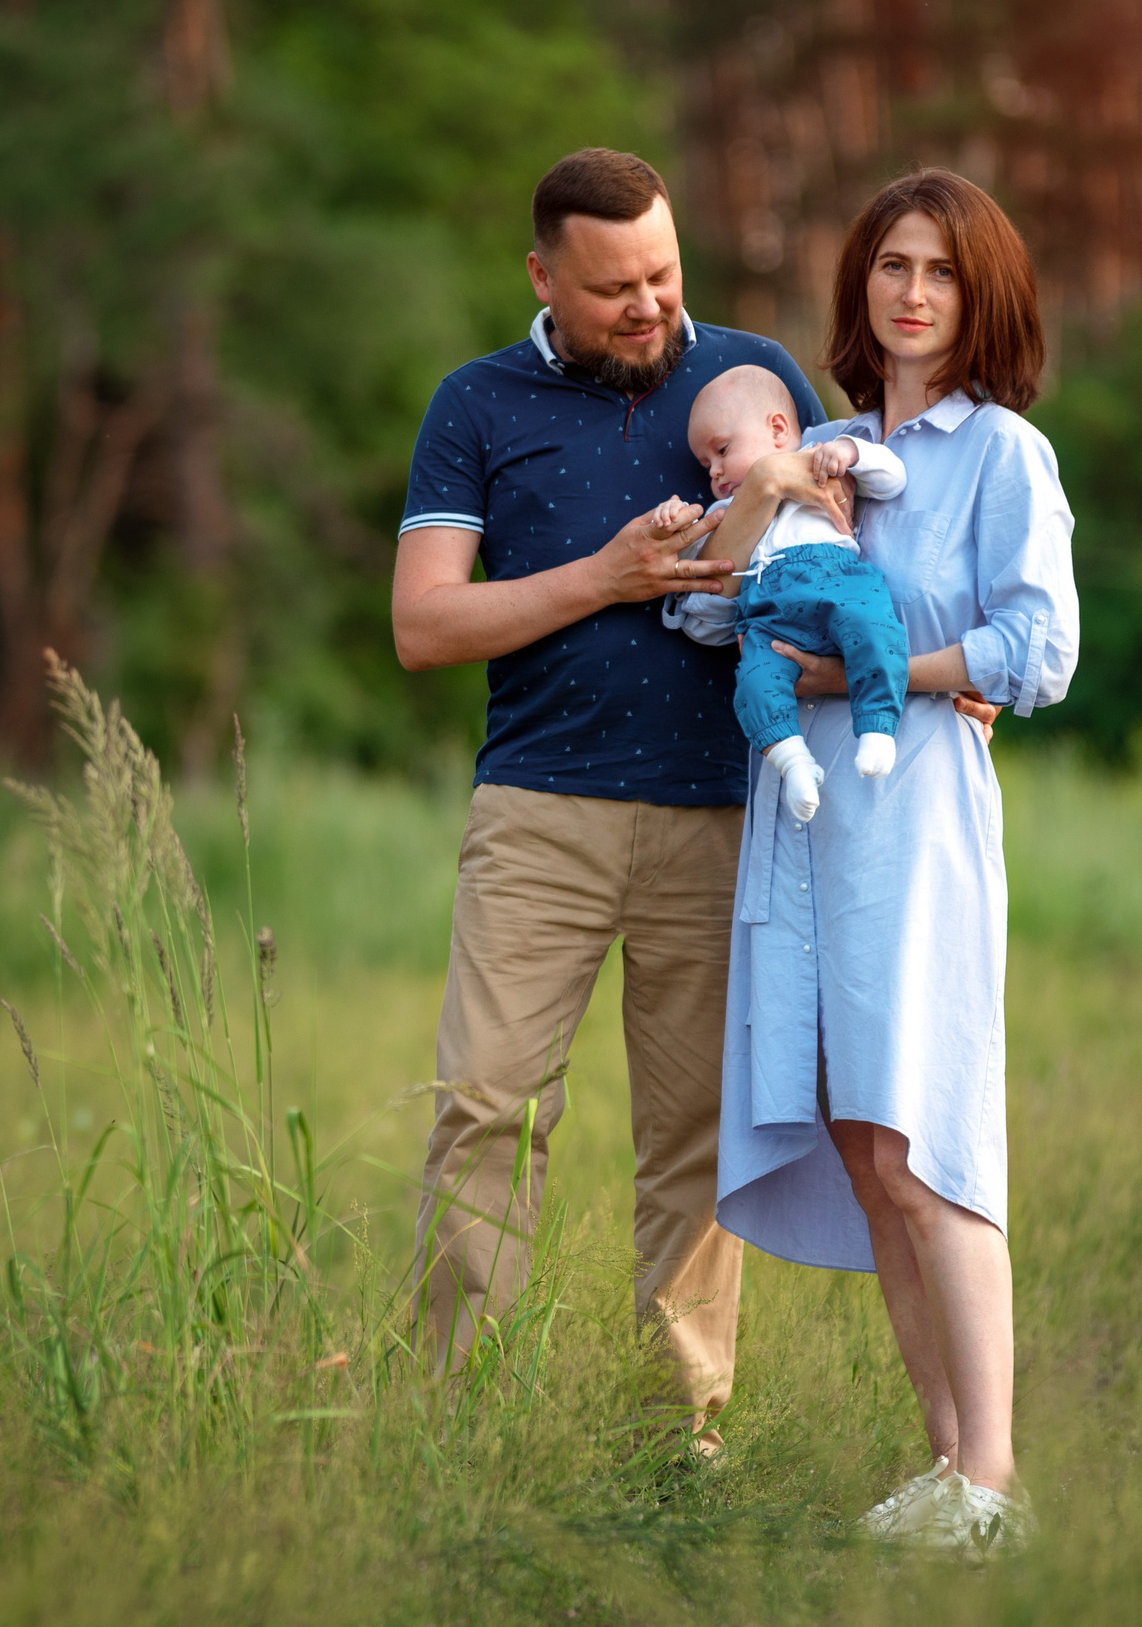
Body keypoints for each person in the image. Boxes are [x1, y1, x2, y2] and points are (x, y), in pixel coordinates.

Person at [391, 147, 856, 1445]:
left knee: (699, 1142)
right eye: (613, 289)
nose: (649, 305)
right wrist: (601, 577)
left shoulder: (755, 378)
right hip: (538, 814)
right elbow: (423, 626)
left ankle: (682, 1431)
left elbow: (848, 552)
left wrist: (942, 663)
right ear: (544, 276)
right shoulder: (474, 404)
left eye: (662, 272)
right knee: (486, 1107)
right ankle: (452, 1417)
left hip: (726, 814)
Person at [699, 168, 1078, 1553]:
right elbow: (705, 619)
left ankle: (996, 1479)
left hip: (915, 823)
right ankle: (943, 1468)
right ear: (860, 284)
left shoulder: (1001, 458)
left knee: (932, 1150)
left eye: (941, 272)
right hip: (803, 842)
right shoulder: (823, 444)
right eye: (891, 266)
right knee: (868, 1154)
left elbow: (1038, 651)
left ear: (980, 298)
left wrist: (880, 674)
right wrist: (766, 495)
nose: (912, 293)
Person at [662, 365, 913, 823]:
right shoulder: (729, 510)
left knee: (874, 629)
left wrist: (849, 451)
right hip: (766, 612)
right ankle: (794, 762)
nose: (716, 471)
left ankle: (878, 725)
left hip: (834, 577)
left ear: (777, 429)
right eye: (706, 465)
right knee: (755, 680)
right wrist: (675, 519)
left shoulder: (822, 461)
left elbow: (893, 476)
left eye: (722, 450)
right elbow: (699, 587)